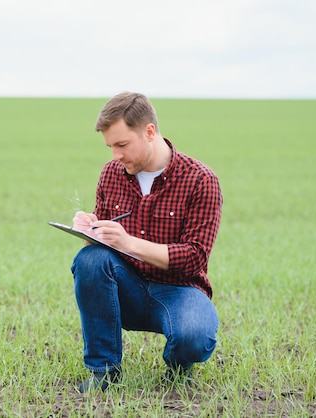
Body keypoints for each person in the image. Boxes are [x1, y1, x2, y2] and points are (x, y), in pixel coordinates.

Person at [71, 92, 222, 393]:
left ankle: (179, 365)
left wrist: (129, 242)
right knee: (89, 260)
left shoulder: (201, 180)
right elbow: (103, 250)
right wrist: (90, 230)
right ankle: (104, 372)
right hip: (127, 288)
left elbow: (194, 258)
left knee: (194, 336)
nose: (115, 155)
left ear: (149, 132)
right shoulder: (111, 174)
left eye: (122, 144)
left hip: (180, 290)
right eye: (110, 146)